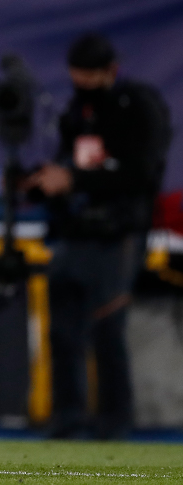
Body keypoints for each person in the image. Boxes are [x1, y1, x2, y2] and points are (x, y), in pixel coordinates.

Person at [26, 33, 172, 440]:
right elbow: (68, 163)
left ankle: (114, 420)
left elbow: (141, 172)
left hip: (119, 231)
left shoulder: (137, 106)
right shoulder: (77, 111)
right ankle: (67, 417)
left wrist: (75, 179)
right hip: (75, 230)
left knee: (107, 327)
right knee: (62, 330)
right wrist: (40, 183)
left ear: (111, 70)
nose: (83, 83)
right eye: (78, 75)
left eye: (91, 75)